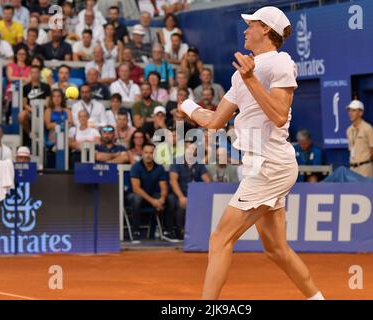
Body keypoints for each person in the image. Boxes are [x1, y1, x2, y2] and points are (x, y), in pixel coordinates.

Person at [178, 6, 323, 300]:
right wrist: (188, 107)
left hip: (270, 166)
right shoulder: (241, 74)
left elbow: (280, 115)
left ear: (266, 30)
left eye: (251, 25)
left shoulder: (281, 63)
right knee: (276, 249)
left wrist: (251, 79)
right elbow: (216, 122)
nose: (245, 30)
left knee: (219, 239)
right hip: (266, 166)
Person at [127, 143, 176, 242]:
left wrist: (162, 199)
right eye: (146, 152)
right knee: (136, 199)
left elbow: (163, 187)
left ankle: (168, 231)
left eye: (151, 153)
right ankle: (135, 232)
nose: (148, 155)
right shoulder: (136, 167)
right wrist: (153, 201)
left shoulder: (159, 168)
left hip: (153, 196)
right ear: (142, 154)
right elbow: (136, 189)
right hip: (137, 196)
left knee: (170, 198)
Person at [169, 142, 211, 239]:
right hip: (179, 193)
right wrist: (181, 197)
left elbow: (207, 180)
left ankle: (199, 233)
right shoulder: (177, 161)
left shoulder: (198, 163)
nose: (190, 151)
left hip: (194, 194)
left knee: (204, 204)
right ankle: (180, 232)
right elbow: (173, 181)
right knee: (181, 206)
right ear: (185, 149)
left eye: (193, 149)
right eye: (188, 148)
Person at [346, 100, 373, 178]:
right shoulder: (349, 130)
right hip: (352, 168)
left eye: (353, 110)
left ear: (361, 113)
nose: (350, 113)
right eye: (349, 110)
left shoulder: (368, 128)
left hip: (365, 167)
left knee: (366, 190)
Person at [19, 65, 51, 136]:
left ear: (40, 74)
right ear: (30, 74)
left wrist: (41, 111)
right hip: (30, 111)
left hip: (43, 111)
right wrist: (32, 110)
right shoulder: (25, 87)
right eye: (32, 72)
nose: (35, 74)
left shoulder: (46, 86)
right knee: (22, 115)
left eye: (36, 72)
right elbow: (24, 104)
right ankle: (30, 133)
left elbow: (47, 101)